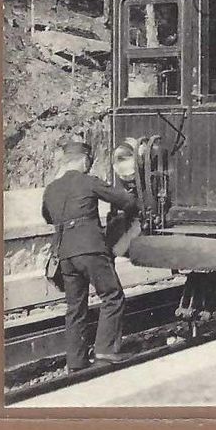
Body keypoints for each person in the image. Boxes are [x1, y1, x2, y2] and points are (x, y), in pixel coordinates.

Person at [41, 135, 139, 372]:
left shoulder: (51, 189)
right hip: (91, 249)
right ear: (84, 161)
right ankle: (106, 350)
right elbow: (124, 200)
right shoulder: (88, 181)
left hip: (65, 254)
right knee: (112, 295)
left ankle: (76, 361)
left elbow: (47, 217)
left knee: (75, 308)